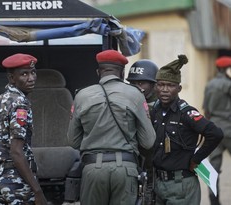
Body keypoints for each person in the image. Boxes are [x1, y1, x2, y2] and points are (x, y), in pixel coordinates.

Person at [67, 49, 156, 205]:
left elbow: (73, 141)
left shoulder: (81, 95)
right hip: (125, 169)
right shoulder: (135, 94)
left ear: (98, 72)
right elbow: (148, 141)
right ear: (122, 73)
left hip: (92, 169)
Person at [0, 53, 48, 205]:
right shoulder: (21, 103)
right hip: (18, 183)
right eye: (24, 74)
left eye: (33, 72)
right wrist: (38, 191)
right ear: (11, 78)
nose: (31, 78)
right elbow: (16, 151)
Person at [151, 54, 223, 205]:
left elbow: (215, 134)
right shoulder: (154, 111)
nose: (164, 90)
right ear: (155, 86)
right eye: (161, 84)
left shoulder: (186, 113)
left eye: (170, 85)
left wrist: (196, 160)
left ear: (179, 88)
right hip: (158, 183)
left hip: (181, 184)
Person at [126, 59, 158, 205]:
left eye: (141, 83)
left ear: (154, 84)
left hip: (155, 166)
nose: (137, 88)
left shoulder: (162, 106)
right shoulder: (124, 102)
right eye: (133, 83)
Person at [203, 56, 231, 205]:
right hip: (229, 127)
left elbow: (206, 110)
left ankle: (214, 201)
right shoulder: (228, 84)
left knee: (213, 169)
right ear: (226, 69)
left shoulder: (210, 85)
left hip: (214, 130)